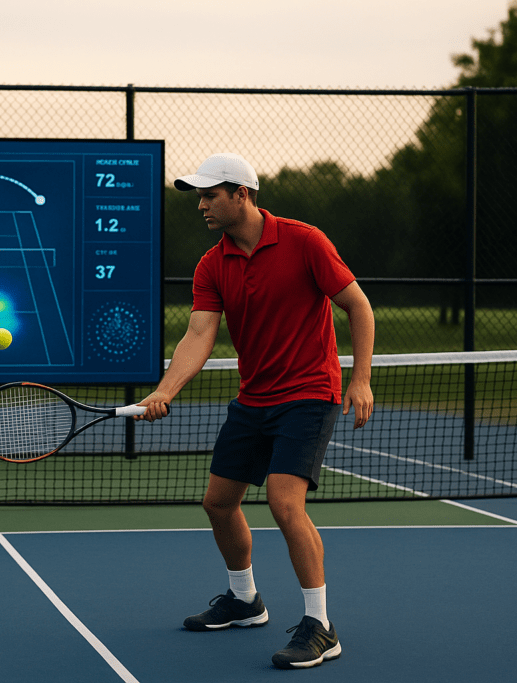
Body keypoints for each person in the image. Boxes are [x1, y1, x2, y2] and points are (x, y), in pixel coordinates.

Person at [137, 153, 374, 670]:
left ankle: (320, 626)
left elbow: (358, 305)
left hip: (309, 393)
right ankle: (245, 600)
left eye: (209, 195)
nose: (201, 205)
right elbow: (199, 333)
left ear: (240, 194)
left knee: (285, 504)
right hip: (254, 397)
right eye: (199, 196)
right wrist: (165, 390)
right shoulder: (211, 264)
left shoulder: (305, 241)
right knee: (218, 503)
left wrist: (360, 379)